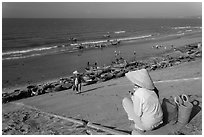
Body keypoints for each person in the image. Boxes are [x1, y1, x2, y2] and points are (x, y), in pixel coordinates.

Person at [122, 69, 163, 134]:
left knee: (126, 101)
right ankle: (138, 125)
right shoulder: (153, 91)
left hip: (148, 125)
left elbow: (137, 113)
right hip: (159, 120)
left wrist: (134, 99)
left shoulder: (139, 93)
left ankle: (137, 125)